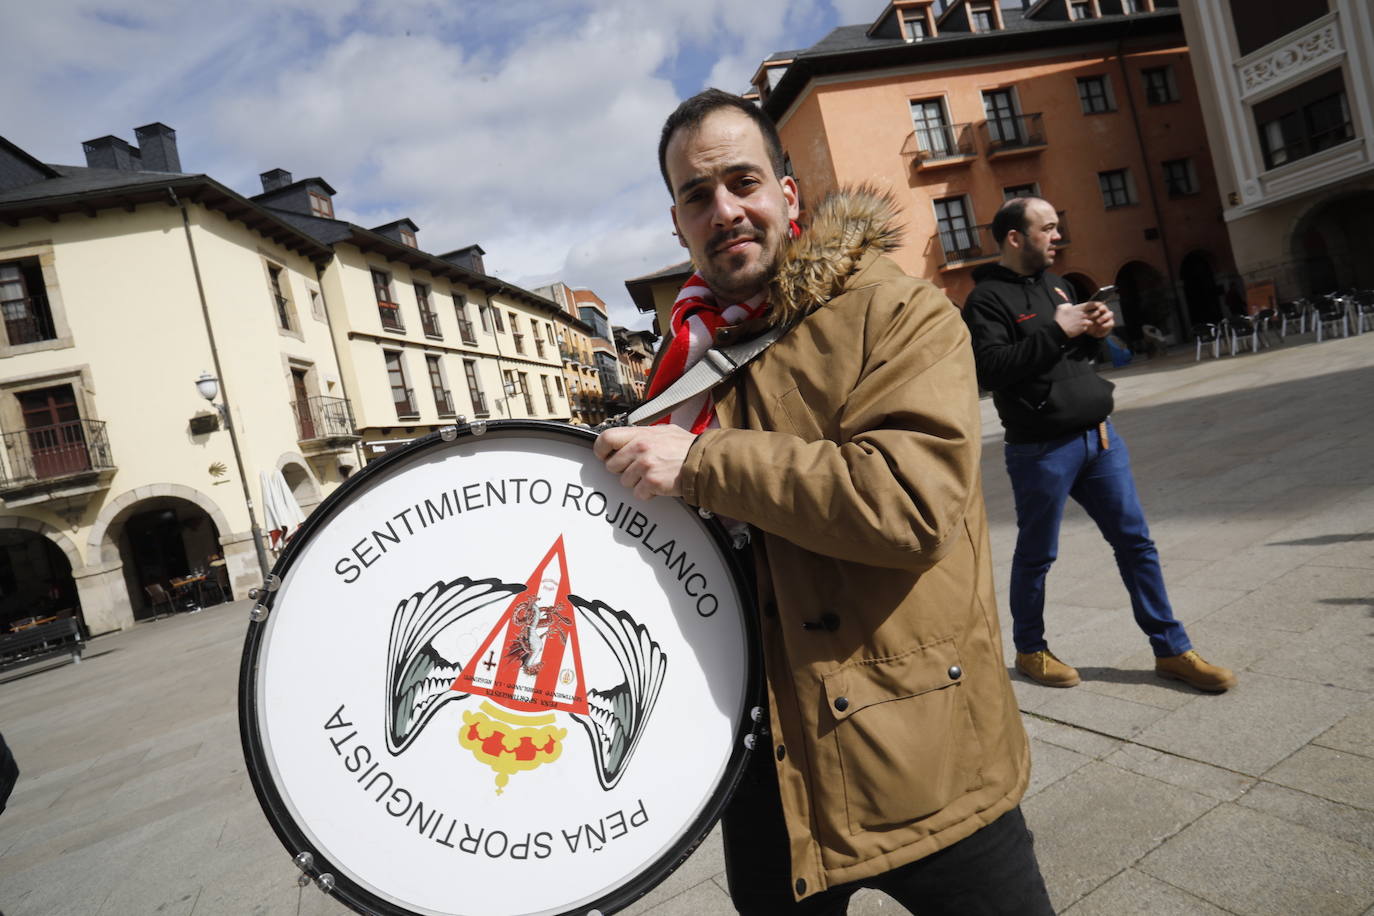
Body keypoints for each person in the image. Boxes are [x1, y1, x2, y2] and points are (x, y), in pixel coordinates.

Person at [595, 89, 1049, 915]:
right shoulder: (687, 359)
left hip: (924, 748)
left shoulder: (900, 312)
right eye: (698, 196)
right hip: (767, 765)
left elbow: (909, 504)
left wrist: (703, 461)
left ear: (789, 193)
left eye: (743, 182)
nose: (724, 210)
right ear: (677, 222)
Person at [961, 196, 1236, 694]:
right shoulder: (985, 301)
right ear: (1015, 238)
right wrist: (1056, 330)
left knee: (1136, 543)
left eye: (1057, 226)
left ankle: (1171, 650)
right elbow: (990, 370)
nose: (1058, 236)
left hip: (1101, 439)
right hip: (1041, 450)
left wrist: (1093, 334)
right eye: (1047, 228)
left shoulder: (1058, 285)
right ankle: (1031, 649)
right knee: (1038, 554)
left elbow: (1070, 353)